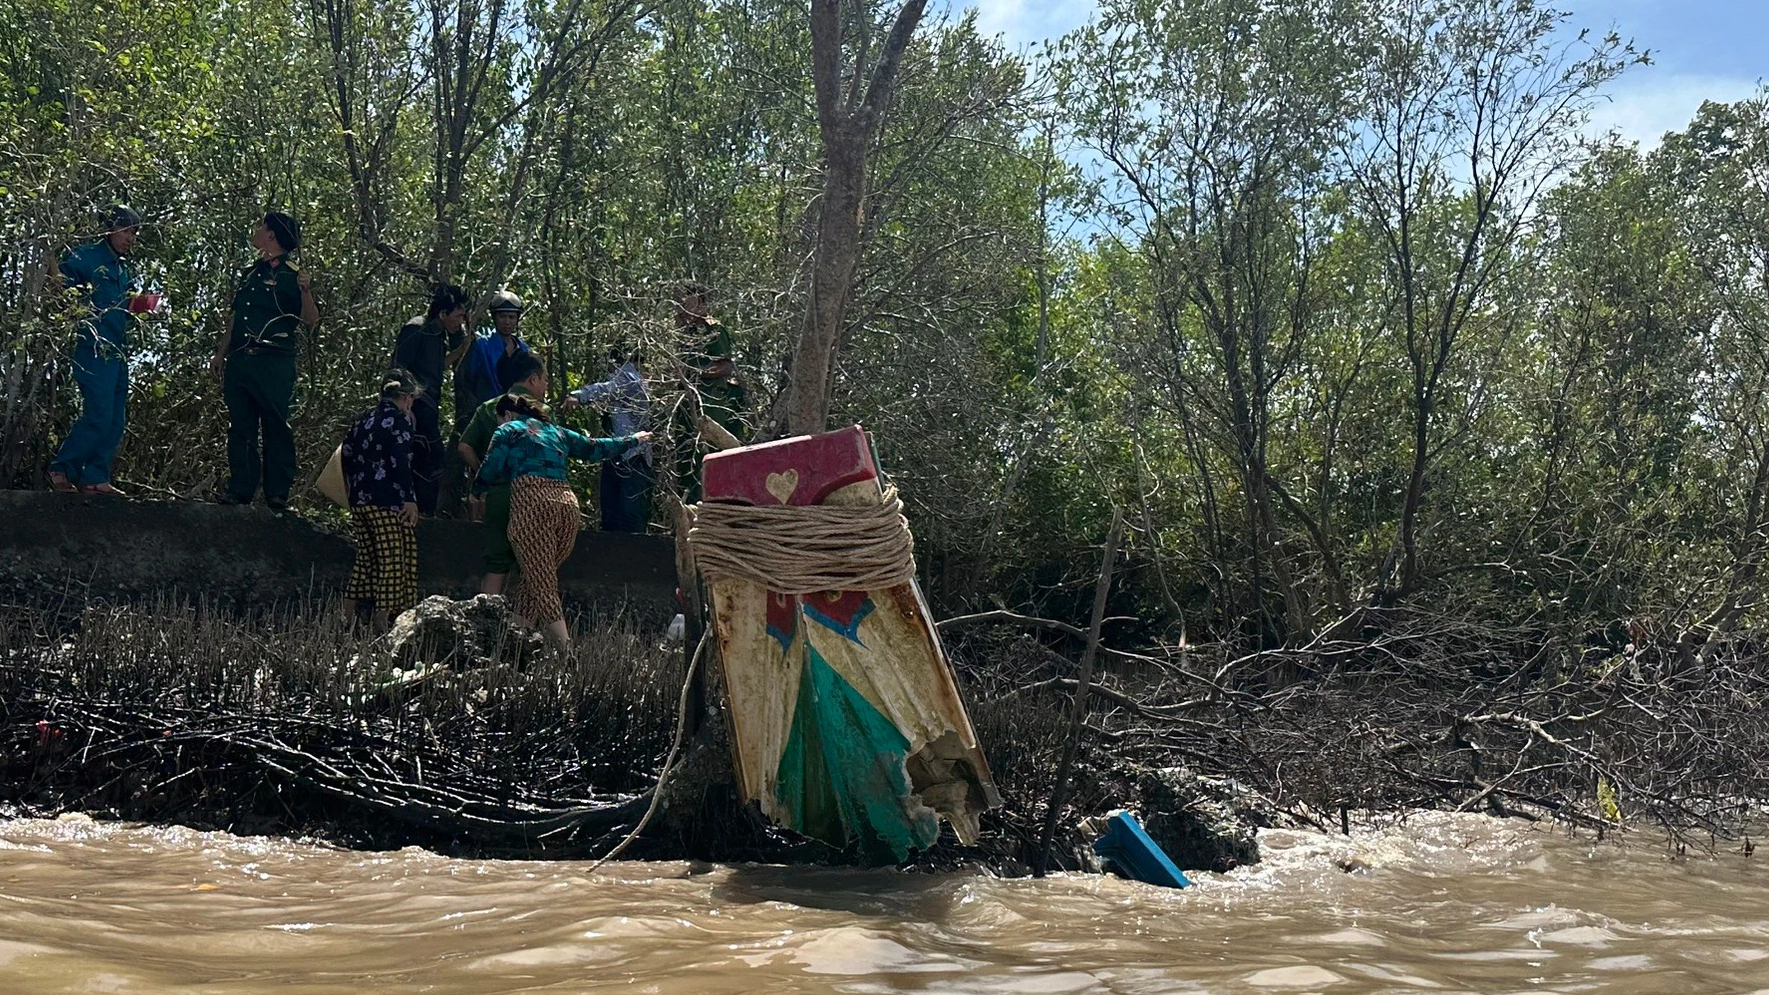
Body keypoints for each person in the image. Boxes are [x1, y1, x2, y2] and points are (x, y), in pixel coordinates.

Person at [476, 394, 649, 648]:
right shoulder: (556, 431)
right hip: (567, 505)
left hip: (532, 503)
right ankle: (514, 639)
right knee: (536, 577)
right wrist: (633, 439)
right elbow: (595, 447)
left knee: (543, 583)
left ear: (507, 415)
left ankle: (566, 650)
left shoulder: (508, 430)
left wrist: (476, 491)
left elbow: (491, 467)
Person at [211, 211, 318, 511]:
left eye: (261, 227)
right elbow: (237, 317)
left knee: (275, 427)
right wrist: (221, 353)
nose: (256, 231)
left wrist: (306, 292)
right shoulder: (252, 272)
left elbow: (311, 320)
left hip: (273, 363)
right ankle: (240, 489)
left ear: (271, 235)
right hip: (241, 360)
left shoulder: (292, 275)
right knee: (241, 426)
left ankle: (277, 493)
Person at [47, 204, 147, 496]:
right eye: (127, 230)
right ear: (111, 229)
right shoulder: (86, 257)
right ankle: (62, 468)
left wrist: (144, 305)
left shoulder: (121, 268)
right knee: (99, 414)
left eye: (135, 233)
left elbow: (122, 307)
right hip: (93, 347)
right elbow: (62, 288)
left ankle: (94, 477)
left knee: (116, 418)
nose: (131, 238)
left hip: (117, 350)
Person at [457, 351, 548, 595]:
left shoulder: (489, 407)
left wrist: (483, 473)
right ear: (533, 379)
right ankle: (521, 626)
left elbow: (464, 446)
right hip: (531, 495)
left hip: (496, 495)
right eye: (544, 380)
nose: (545, 386)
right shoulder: (542, 411)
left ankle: (485, 616)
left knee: (496, 562)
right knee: (531, 562)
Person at [340, 370, 422, 628]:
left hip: (359, 498)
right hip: (388, 499)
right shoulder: (399, 420)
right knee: (393, 559)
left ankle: (347, 615)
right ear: (407, 398)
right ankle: (382, 618)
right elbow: (400, 461)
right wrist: (409, 498)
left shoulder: (364, 419)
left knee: (366, 558)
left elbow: (346, 454)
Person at [392, 284, 468, 515]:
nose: (461, 322)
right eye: (458, 316)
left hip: (430, 406)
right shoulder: (416, 329)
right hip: (415, 407)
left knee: (431, 463)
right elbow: (398, 369)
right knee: (426, 461)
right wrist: (405, 409)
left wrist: (461, 348)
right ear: (443, 314)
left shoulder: (438, 335)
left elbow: (435, 367)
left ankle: (424, 513)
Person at [565, 343, 652, 533]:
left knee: (629, 515)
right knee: (612, 515)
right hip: (617, 454)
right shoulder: (628, 378)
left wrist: (579, 396)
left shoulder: (629, 379)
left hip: (632, 457)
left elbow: (608, 389)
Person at [453, 289, 531, 425]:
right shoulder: (482, 345)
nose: (507, 322)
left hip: (517, 416)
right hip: (487, 414)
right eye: (502, 316)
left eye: (511, 317)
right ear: (495, 318)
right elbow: (469, 379)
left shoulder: (523, 349)